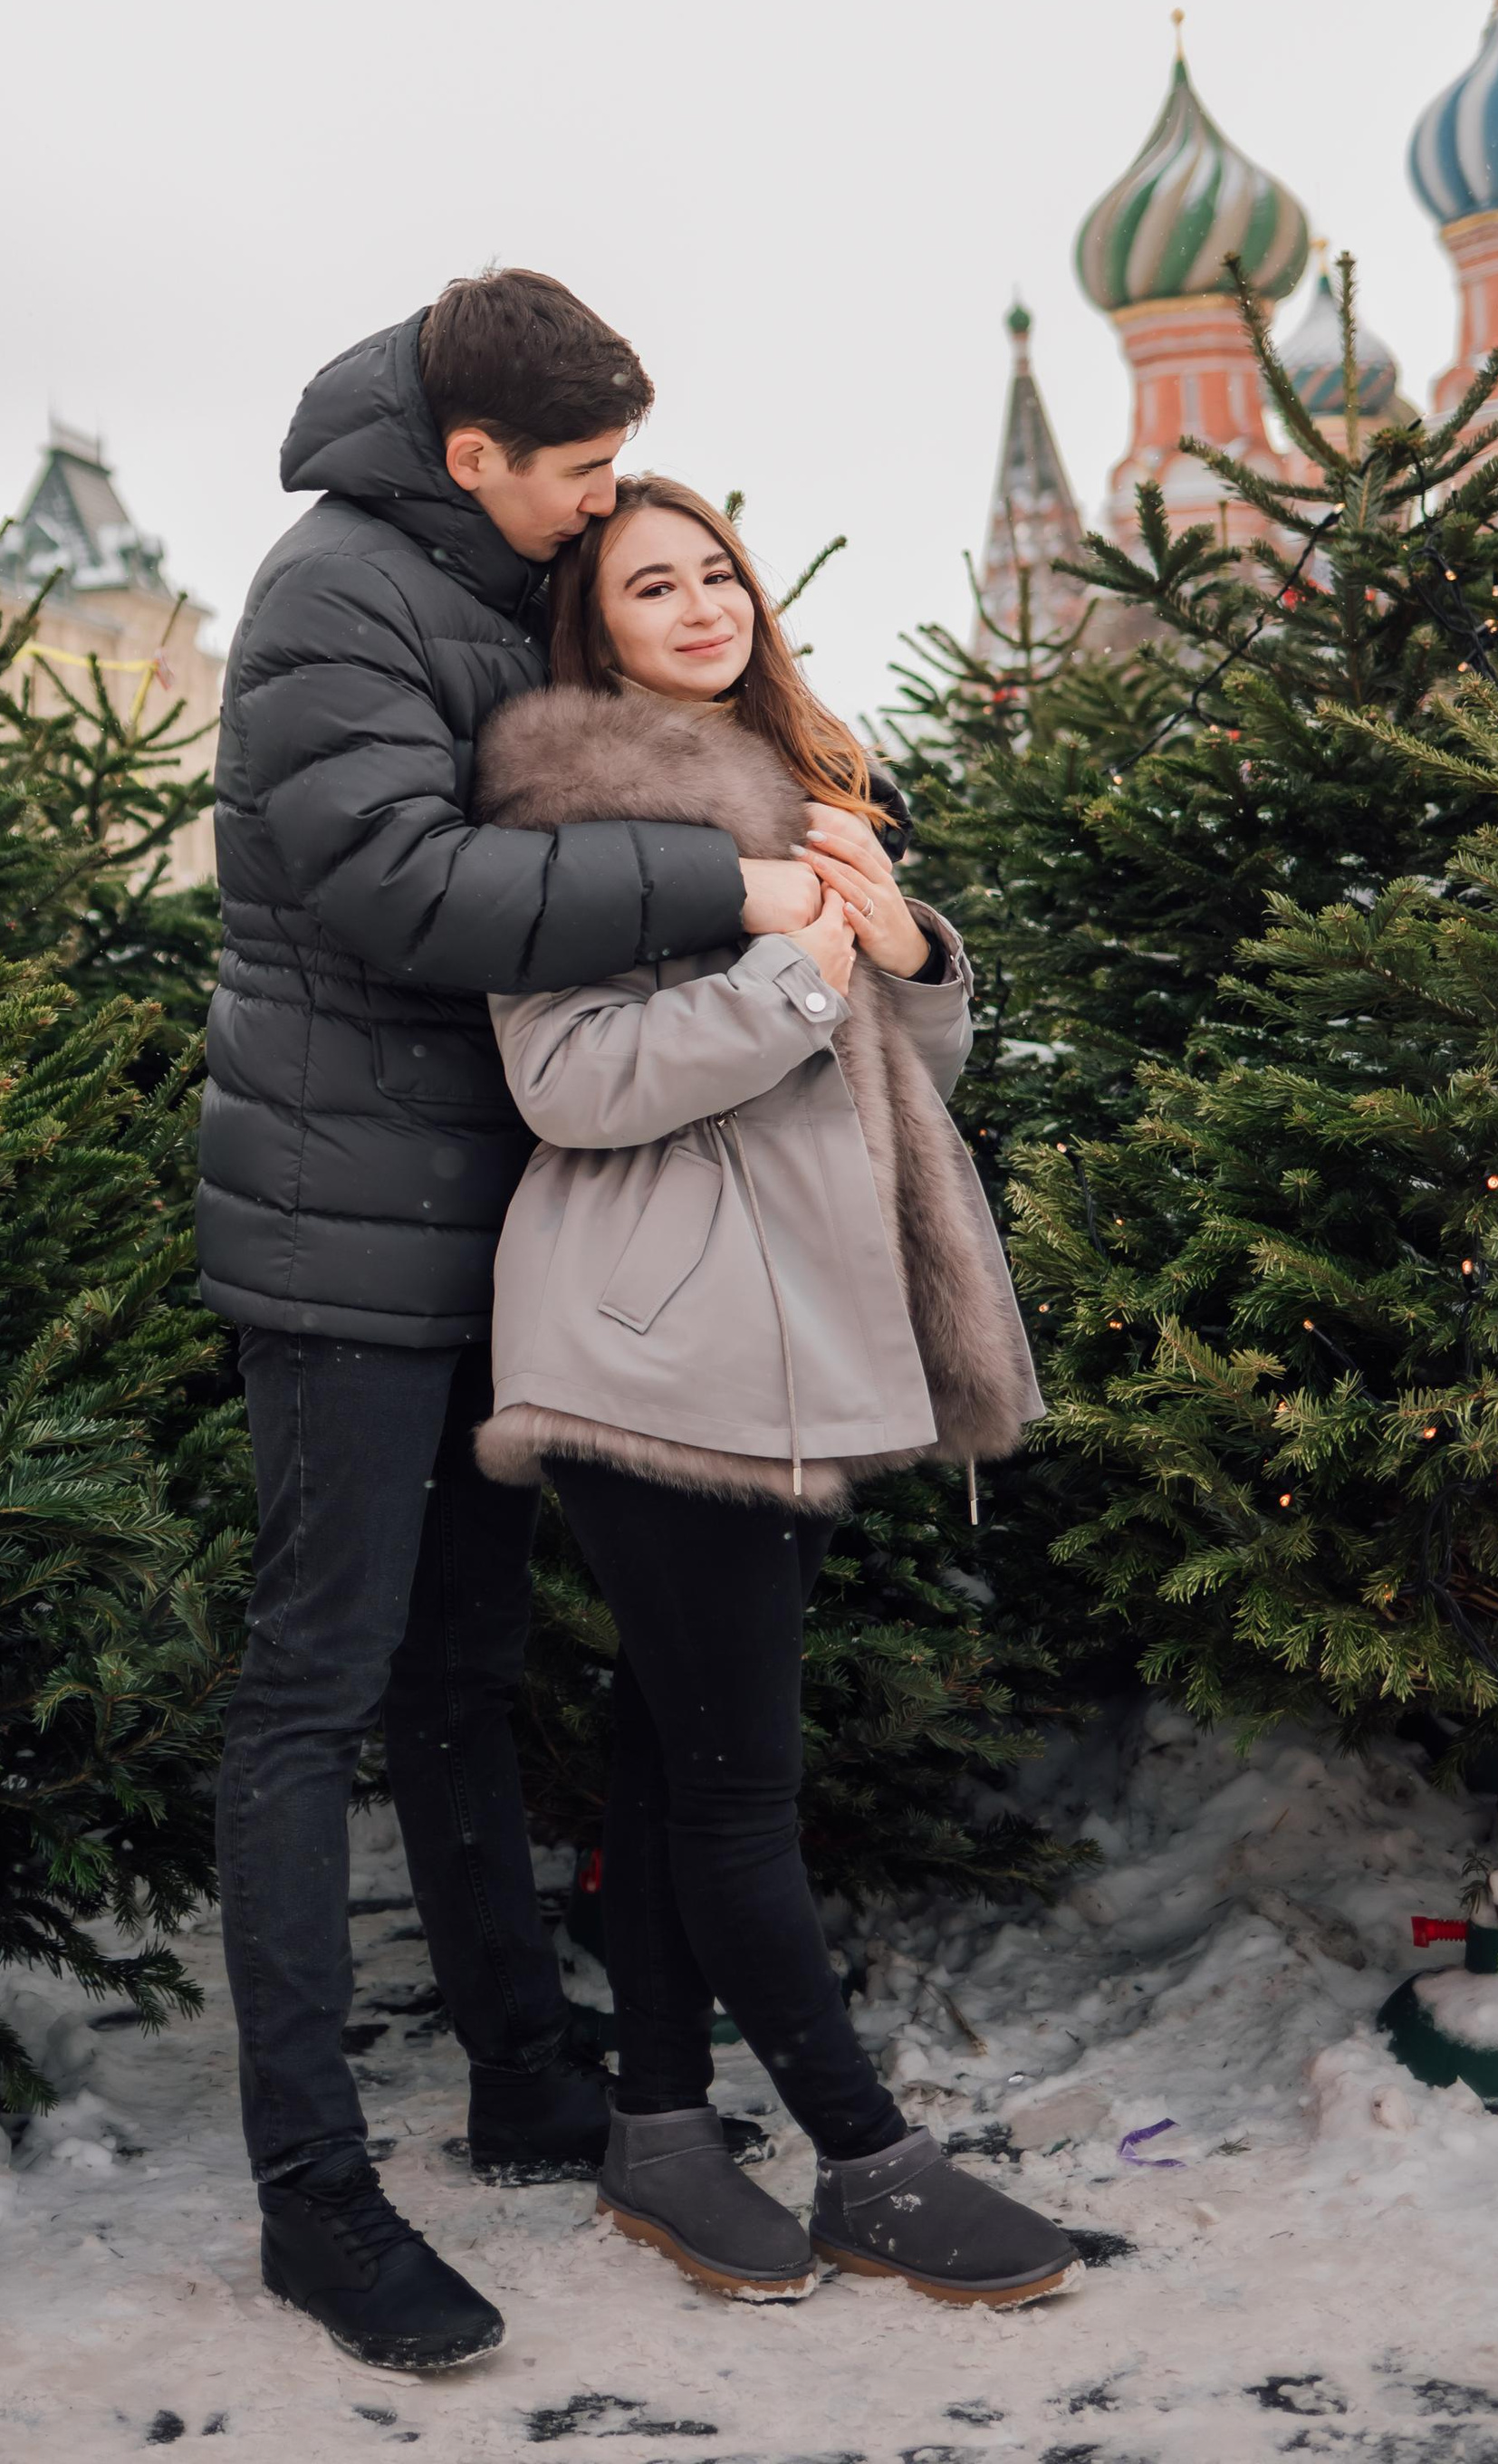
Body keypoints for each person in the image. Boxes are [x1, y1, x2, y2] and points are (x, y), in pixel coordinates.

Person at [200, 276, 825, 2372]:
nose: (599, 504)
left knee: (463, 1672)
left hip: (504, 1220)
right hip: (342, 1235)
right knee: (315, 1688)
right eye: (574, 473)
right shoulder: (333, 595)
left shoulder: (491, 577)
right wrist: (713, 885)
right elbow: (397, 886)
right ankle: (312, 2197)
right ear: (470, 455)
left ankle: (524, 2076)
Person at [467, 475, 1074, 2311]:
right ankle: (863, 2160)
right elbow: (567, 1085)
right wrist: (797, 970)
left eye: (717, 568)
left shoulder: (813, 795)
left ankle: (657, 2130)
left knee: (670, 1751)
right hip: (659, 1346)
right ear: (597, 628)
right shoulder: (570, 812)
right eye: (655, 583)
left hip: (792, 1333)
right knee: (738, 1791)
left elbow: (888, 1081)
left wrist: (904, 960)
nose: (704, 600)